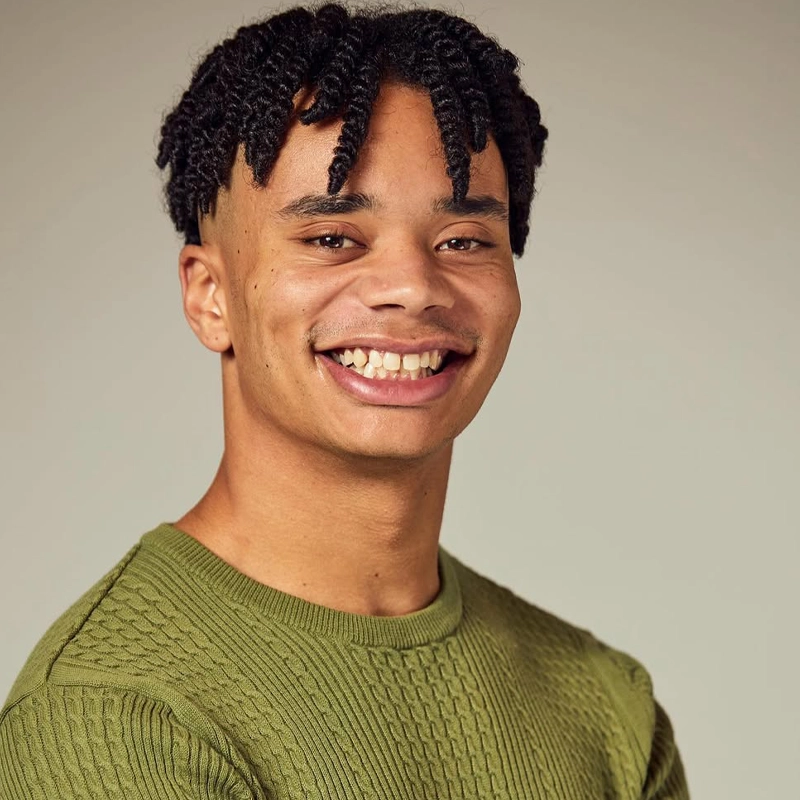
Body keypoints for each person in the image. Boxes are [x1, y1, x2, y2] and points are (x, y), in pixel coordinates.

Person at [0, 4, 689, 798]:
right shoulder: (116, 714)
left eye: (464, 240)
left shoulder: (607, 708)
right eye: (333, 239)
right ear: (209, 295)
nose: (411, 288)